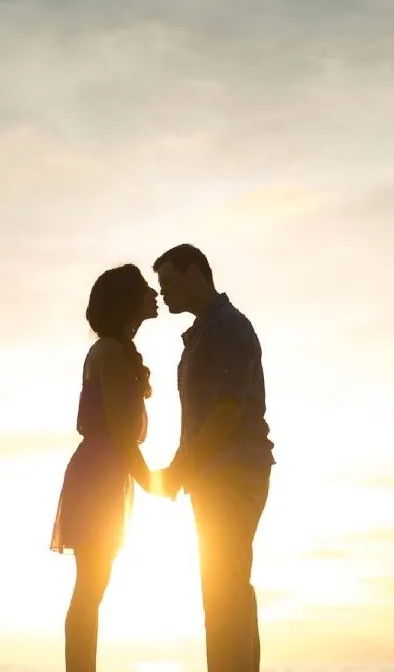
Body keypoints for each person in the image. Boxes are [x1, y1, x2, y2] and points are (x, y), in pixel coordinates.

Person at [153, 244, 275, 672]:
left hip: (234, 473)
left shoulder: (226, 328)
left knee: (225, 585)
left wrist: (181, 468)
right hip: (212, 475)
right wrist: (178, 466)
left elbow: (225, 412)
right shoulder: (204, 331)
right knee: (225, 584)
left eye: (168, 282)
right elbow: (199, 418)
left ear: (194, 274)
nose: (163, 292)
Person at [50, 263, 162, 672]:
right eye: (146, 289)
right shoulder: (111, 353)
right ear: (128, 301)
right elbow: (119, 430)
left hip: (107, 472)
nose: (155, 294)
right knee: (91, 586)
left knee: (94, 585)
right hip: (100, 473)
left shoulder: (116, 351)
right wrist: (155, 482)